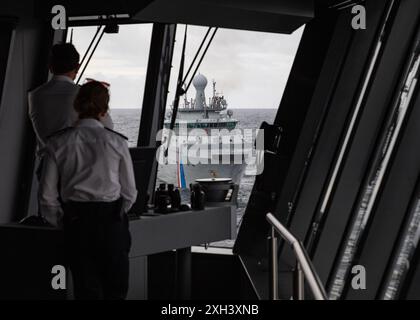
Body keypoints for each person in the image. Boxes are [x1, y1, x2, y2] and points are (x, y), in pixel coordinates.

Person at [38, 81, 137, 300]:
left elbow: (46, 196)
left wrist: (63, 221)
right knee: (116, 290)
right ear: (105, 109)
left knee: (85, 290)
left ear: (77, 105)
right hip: (111, 223)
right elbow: (130, 193)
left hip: (77, 223)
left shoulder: (57, 143)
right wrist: (117, 214)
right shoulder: (117, 142)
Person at [28, 43, 113, 150]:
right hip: (77, 163)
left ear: (50, 66)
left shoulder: (34, 95)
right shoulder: (84, 94)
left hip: (45, 163)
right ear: (77, 67)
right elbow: (108, 128)